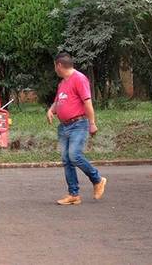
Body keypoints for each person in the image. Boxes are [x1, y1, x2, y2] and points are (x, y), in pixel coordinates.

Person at [47, 52, 107, 205]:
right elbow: (58, 102)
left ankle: (98, 179)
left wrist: (92, 123)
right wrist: (50, 110)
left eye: (55, 66)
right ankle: (73, 194)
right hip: (64, 126)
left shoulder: (79, 79)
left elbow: (87, 102)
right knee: (67, 160)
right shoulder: (62, 83)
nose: (55, 69)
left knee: (74, 155)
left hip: (78, 124)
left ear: (59, 65)